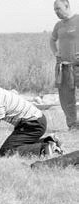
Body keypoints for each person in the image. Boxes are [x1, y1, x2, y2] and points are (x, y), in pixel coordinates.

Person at [0, 76, 63, 157]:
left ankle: (45, 148)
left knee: (6, 152)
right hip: (35, 120)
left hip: (33, 124)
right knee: (16, 146)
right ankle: (50, 140)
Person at [50, 0, 79, 131]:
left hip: (78, 66)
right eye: (55, 9)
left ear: (67, 6)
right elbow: (52, 39)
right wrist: (56, 52)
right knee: (66, 98)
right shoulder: (58, 25)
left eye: (58, 8)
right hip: (64, 67)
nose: (56, 12)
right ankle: (73, 125)